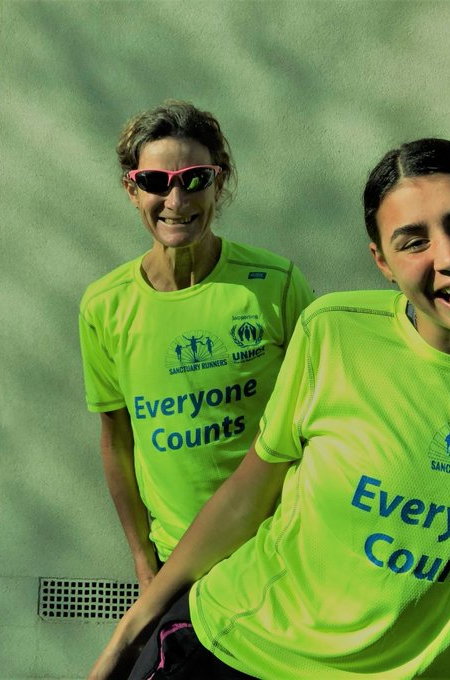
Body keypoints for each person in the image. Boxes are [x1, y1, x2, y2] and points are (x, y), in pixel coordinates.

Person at [88, 138, 450, 679]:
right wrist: (130, 632)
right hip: (237, 651)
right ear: (382, 262)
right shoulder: (332, 330)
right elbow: (246, 497)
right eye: (413, 241)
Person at [79, 100, 314, 592]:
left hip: (276, 554)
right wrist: (144, 559)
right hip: (177, 567)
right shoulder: (105, 306)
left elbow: (323, 420)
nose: (176, 200)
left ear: (219, 181)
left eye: (194, 179)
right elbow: (117, 442)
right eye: (155, 182)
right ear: (131, 189)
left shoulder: (276, 285)